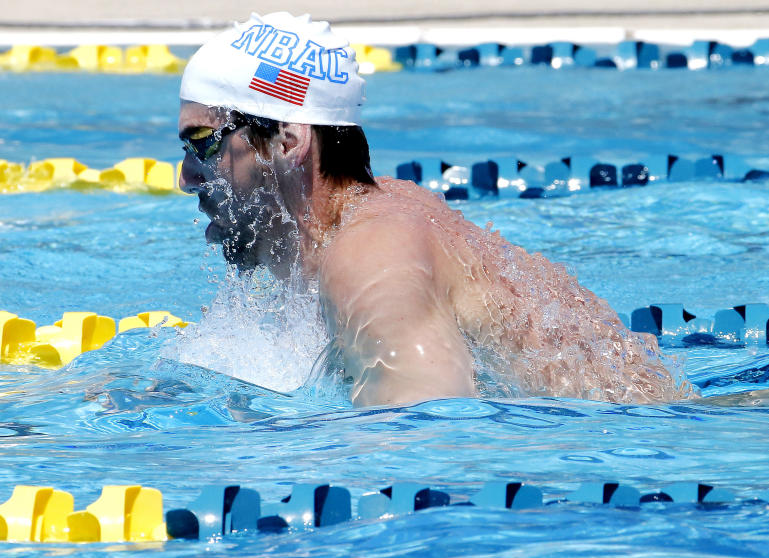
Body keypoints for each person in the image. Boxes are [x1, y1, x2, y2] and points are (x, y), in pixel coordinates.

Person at [178, 12, 688, 407]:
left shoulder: (371, 258)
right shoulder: (369, 214)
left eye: (202, 143)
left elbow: (430, 452)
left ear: (288, 141)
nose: (185, 177)